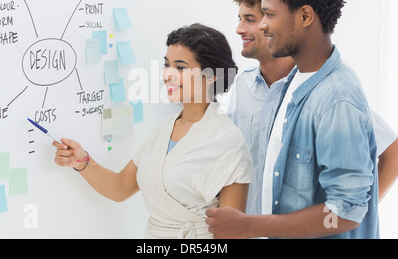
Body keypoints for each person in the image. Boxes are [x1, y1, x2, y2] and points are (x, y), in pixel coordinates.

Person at [206, 0, 382, 239]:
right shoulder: (292, 83)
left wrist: (249, 226)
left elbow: (346, 211)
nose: (262, 26)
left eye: (270, 15)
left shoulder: (337, 99)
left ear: (304, 17)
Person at [227, 0, 398, 217]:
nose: (240, 29)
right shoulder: (242, 86)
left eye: (251, 19)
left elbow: (395, 154)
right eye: (240, 19)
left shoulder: (326, 91)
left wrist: (357, 214)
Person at [53, 23, 252, 239]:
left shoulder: (229, 141)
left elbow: (233, 233)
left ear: (212, 75)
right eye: (167, 65)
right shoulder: (162, 131)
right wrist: (80, 161)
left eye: (181, 67)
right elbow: (121, 187)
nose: (167, 75)